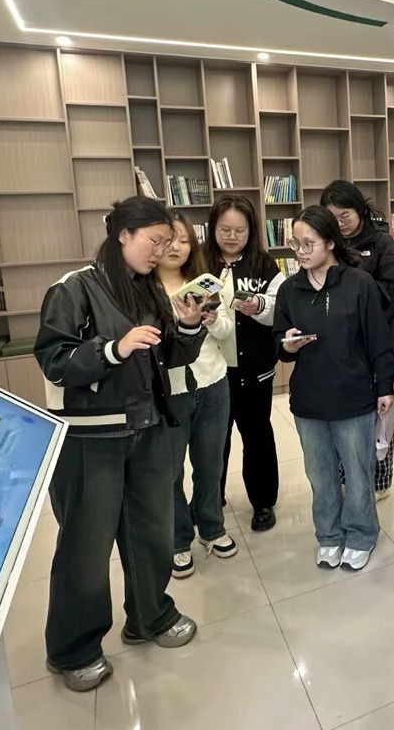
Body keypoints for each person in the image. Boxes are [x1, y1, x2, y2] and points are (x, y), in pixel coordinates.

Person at [34, 196, 206, 693]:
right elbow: (54, 360)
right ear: (123, 235)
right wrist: (113, 349)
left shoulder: (147, 288)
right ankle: (74, 649)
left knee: (151, 533)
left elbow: (167, 355)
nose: (162, 251)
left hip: (148, 429)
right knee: (85, 548)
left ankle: (150, 616)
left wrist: (189, 325)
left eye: (167, 242)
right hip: (91, 438)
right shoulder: (74, 288)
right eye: (155, 241)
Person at [273, 206, 394, 572]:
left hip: (353, 395)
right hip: (309, 399)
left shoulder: (359, 283)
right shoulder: (290, 289)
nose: (301, 251)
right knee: (319, 473)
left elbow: (379, 340)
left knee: (357, 472)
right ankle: (328, 534)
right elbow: (280, 344)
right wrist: (287, 344)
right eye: (295, 243)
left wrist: (385, 386)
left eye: (308, 243)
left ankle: (360, 534)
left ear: (330, 242)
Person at [156, 211, 236, 579]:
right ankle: (178, 539)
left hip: (213, 381)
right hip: (169, 391)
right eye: (168, 239)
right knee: (170, 471)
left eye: (184, 240)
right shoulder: (143, 288)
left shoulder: (202, 283)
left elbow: (226, 332)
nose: (176, 247)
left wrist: (213, 321)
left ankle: (212, 527)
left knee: (210, 463)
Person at [205, 195, 285, 532]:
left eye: (240, 230)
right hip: (211, 370)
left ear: (251, 231)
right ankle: (211, 499)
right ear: (213, 228)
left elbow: (281, 306)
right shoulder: (199, 262)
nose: (232, 237)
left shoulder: (263, 264)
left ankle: (263, 502)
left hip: (255, 367)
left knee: (257, 435)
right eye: (225, 229)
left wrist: (260, 306)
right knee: (213, 439)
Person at [321, 180, 394, 499]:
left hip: (375, 342)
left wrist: (356, 278)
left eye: (345, 215)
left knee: (379, 413)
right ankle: (347, 476)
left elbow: (392, 292)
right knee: (345, 414)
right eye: (333, 217)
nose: (340, 223)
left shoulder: (381, 242)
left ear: (360, 210)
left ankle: (380, 481)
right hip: (339, 344)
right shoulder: (328, 243)